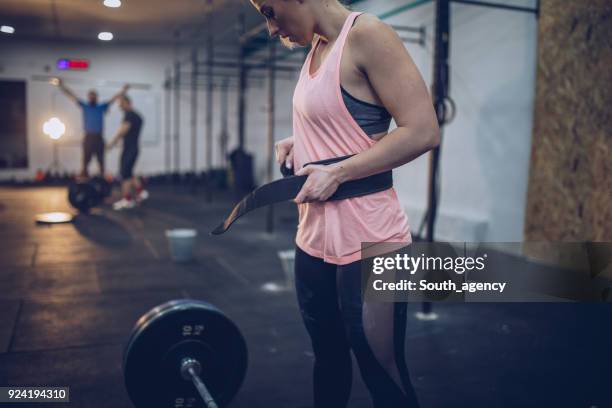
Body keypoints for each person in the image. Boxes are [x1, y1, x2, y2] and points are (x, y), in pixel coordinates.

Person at [249, 1, 440, 407]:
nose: (269, 28)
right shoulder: (317, 46)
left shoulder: (367, 35)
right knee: (328, 361)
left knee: (380, 368)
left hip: (371, 238)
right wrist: (300, 141)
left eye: (269, 11)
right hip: (313, 237)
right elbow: (349, 125)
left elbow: (422, 130)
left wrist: (336, 173)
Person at [54, 78, 128, 178]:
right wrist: (61, 86)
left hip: (99, 138)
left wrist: (123, 91)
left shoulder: (101, 107)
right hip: (88, 138)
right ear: (88, 98)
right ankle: (84, 184)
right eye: (90, 97)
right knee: (85, 163)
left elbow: (113, 99)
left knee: (101, 163)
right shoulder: (85, 106)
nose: (92, 98)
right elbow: (71, 95)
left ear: (96, 98)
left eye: (94, 97)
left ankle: (102, 183)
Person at [107, 95, 148, 210]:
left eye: (121, 103)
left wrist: (111, 143)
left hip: (130, 149)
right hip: (133, 148)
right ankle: (141, 192)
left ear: (128, 102)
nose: (119, 106)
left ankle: (128, 200)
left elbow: (122, 131)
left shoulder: (129, 115)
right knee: (129, 173)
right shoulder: (137, 116)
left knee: (124, 175)